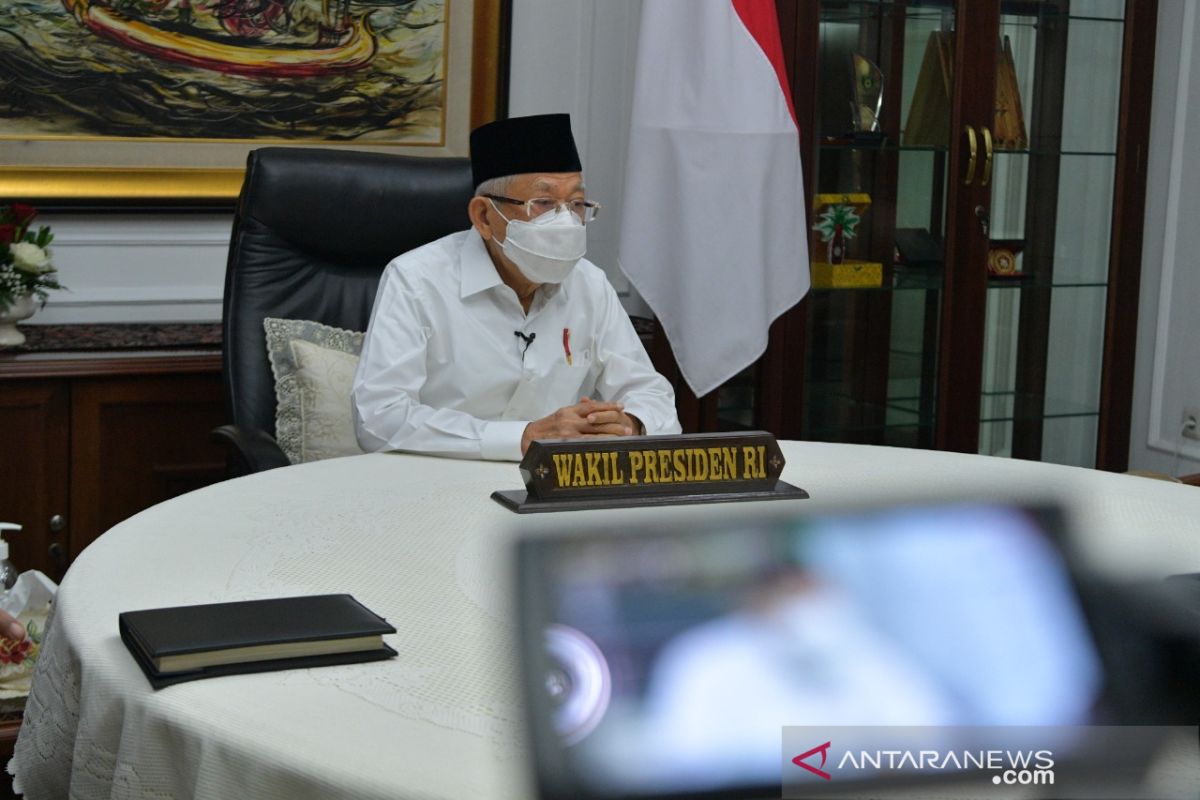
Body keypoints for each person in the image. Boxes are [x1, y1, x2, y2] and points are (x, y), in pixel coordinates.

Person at [352, 114, 681, 460]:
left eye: (576, 205)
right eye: (543, 204)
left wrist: (628, 424)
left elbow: (650, 393)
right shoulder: (416, 280)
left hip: (554, 491)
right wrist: (521, 437)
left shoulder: (589, 283)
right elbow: (378, 418)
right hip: (439, 479)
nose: (565, 221)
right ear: (483, 217)